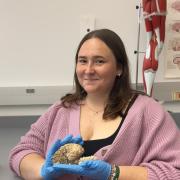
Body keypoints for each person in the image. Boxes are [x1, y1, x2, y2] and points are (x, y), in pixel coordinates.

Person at [9, 29, 180, 180]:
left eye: (99, 61)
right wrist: (43, 170)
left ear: (119, 68)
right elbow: (21, 153)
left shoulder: (148, 111)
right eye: (82, 61)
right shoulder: (61, 110)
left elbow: (174, 172)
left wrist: (113, 173)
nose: (88, 70)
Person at [142, 0, 167, 96]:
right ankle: (148, 95)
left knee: (151, 58)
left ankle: (148, 95)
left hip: (156, 38)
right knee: (150, 59)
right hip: (156, 38)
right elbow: (151, 21)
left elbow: (155, 21)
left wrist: (156, 38)